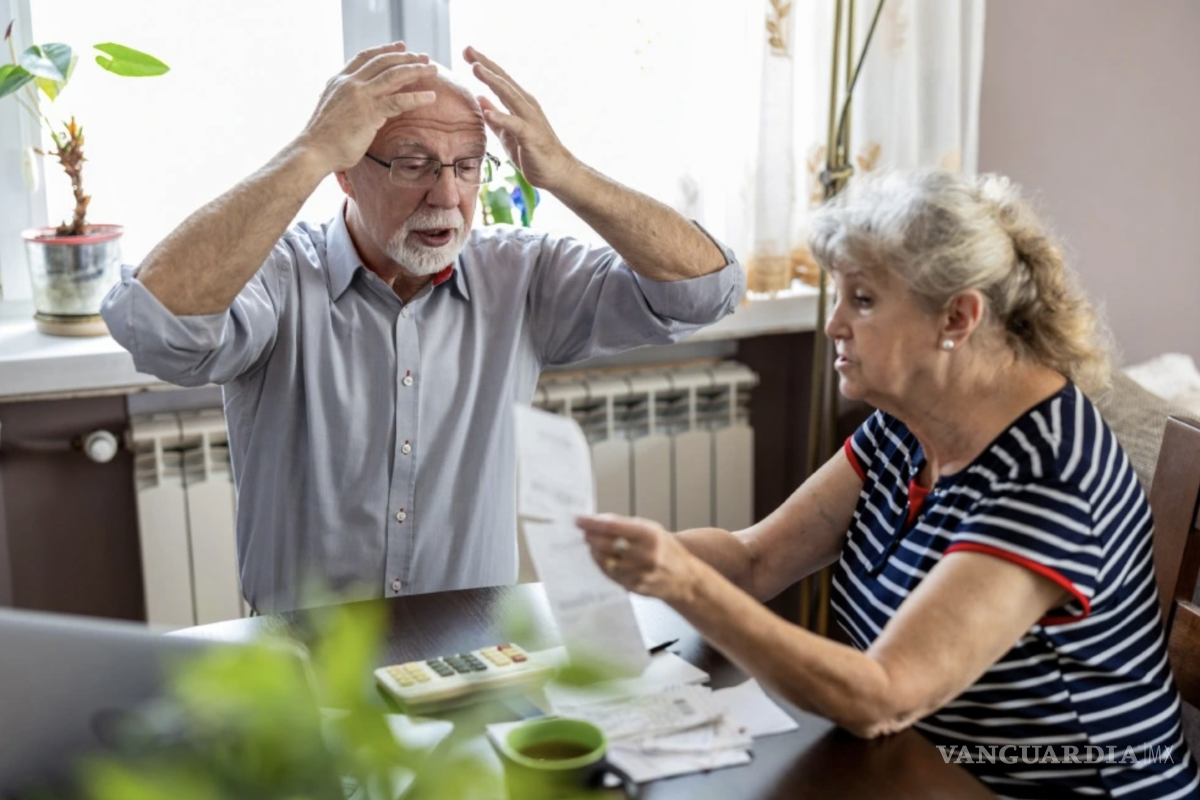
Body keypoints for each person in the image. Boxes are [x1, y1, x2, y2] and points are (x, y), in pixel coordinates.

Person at [578, 170, 1199, 799]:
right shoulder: (910, 424)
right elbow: (755, 559)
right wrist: (622, 554)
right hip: (922, 773)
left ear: (957, 317)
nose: (834, 325)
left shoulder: (1050, 476)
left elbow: (882, 696)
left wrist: (682, 584)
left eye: (864, 301)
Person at [101, 43, 744, 613]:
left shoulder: (519, 274)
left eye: (468, 166)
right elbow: (155, 329)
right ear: (346, 173)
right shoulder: (280, 275)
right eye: (413, 164)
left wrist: (566, 172)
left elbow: (705, 293)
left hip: (472, 649)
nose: (447, 197)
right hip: (303, 661)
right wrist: (309, 150)